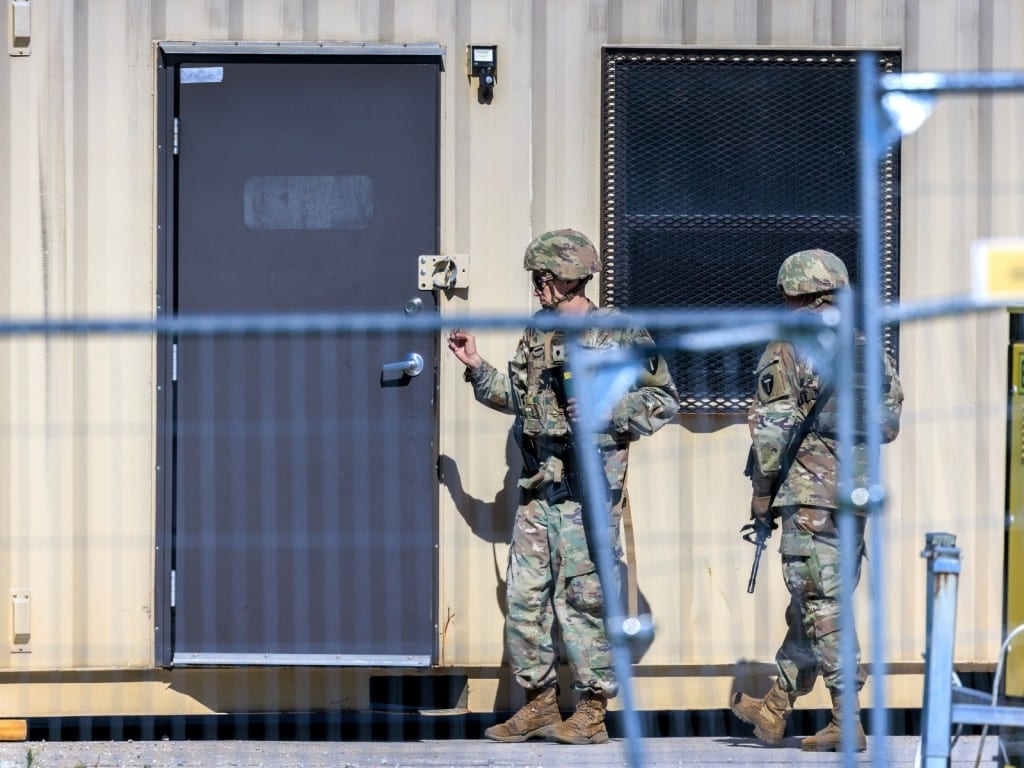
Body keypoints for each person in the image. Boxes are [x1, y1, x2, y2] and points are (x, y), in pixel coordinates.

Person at [448, 229, 679, 745]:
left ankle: (592, 711)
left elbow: (664, 401)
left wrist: (606, 411)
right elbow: (519, 397)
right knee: (526, 602)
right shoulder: (538, 331)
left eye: (543, 279)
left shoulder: (619, 334)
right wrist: (477, 368)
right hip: (539, 492)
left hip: (588, 493)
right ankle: (540, 705)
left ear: (569, 279)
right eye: (536, 279)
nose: (537, 289)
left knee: (582, 600)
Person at [731, 248, 903, 752]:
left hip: (808, 497)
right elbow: (889, 425)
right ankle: (776, 709)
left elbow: (771, 434)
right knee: (812, 606)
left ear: (793, 294)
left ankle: (845, 720)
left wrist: (761, 497)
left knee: (822, 609)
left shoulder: (788, 348)